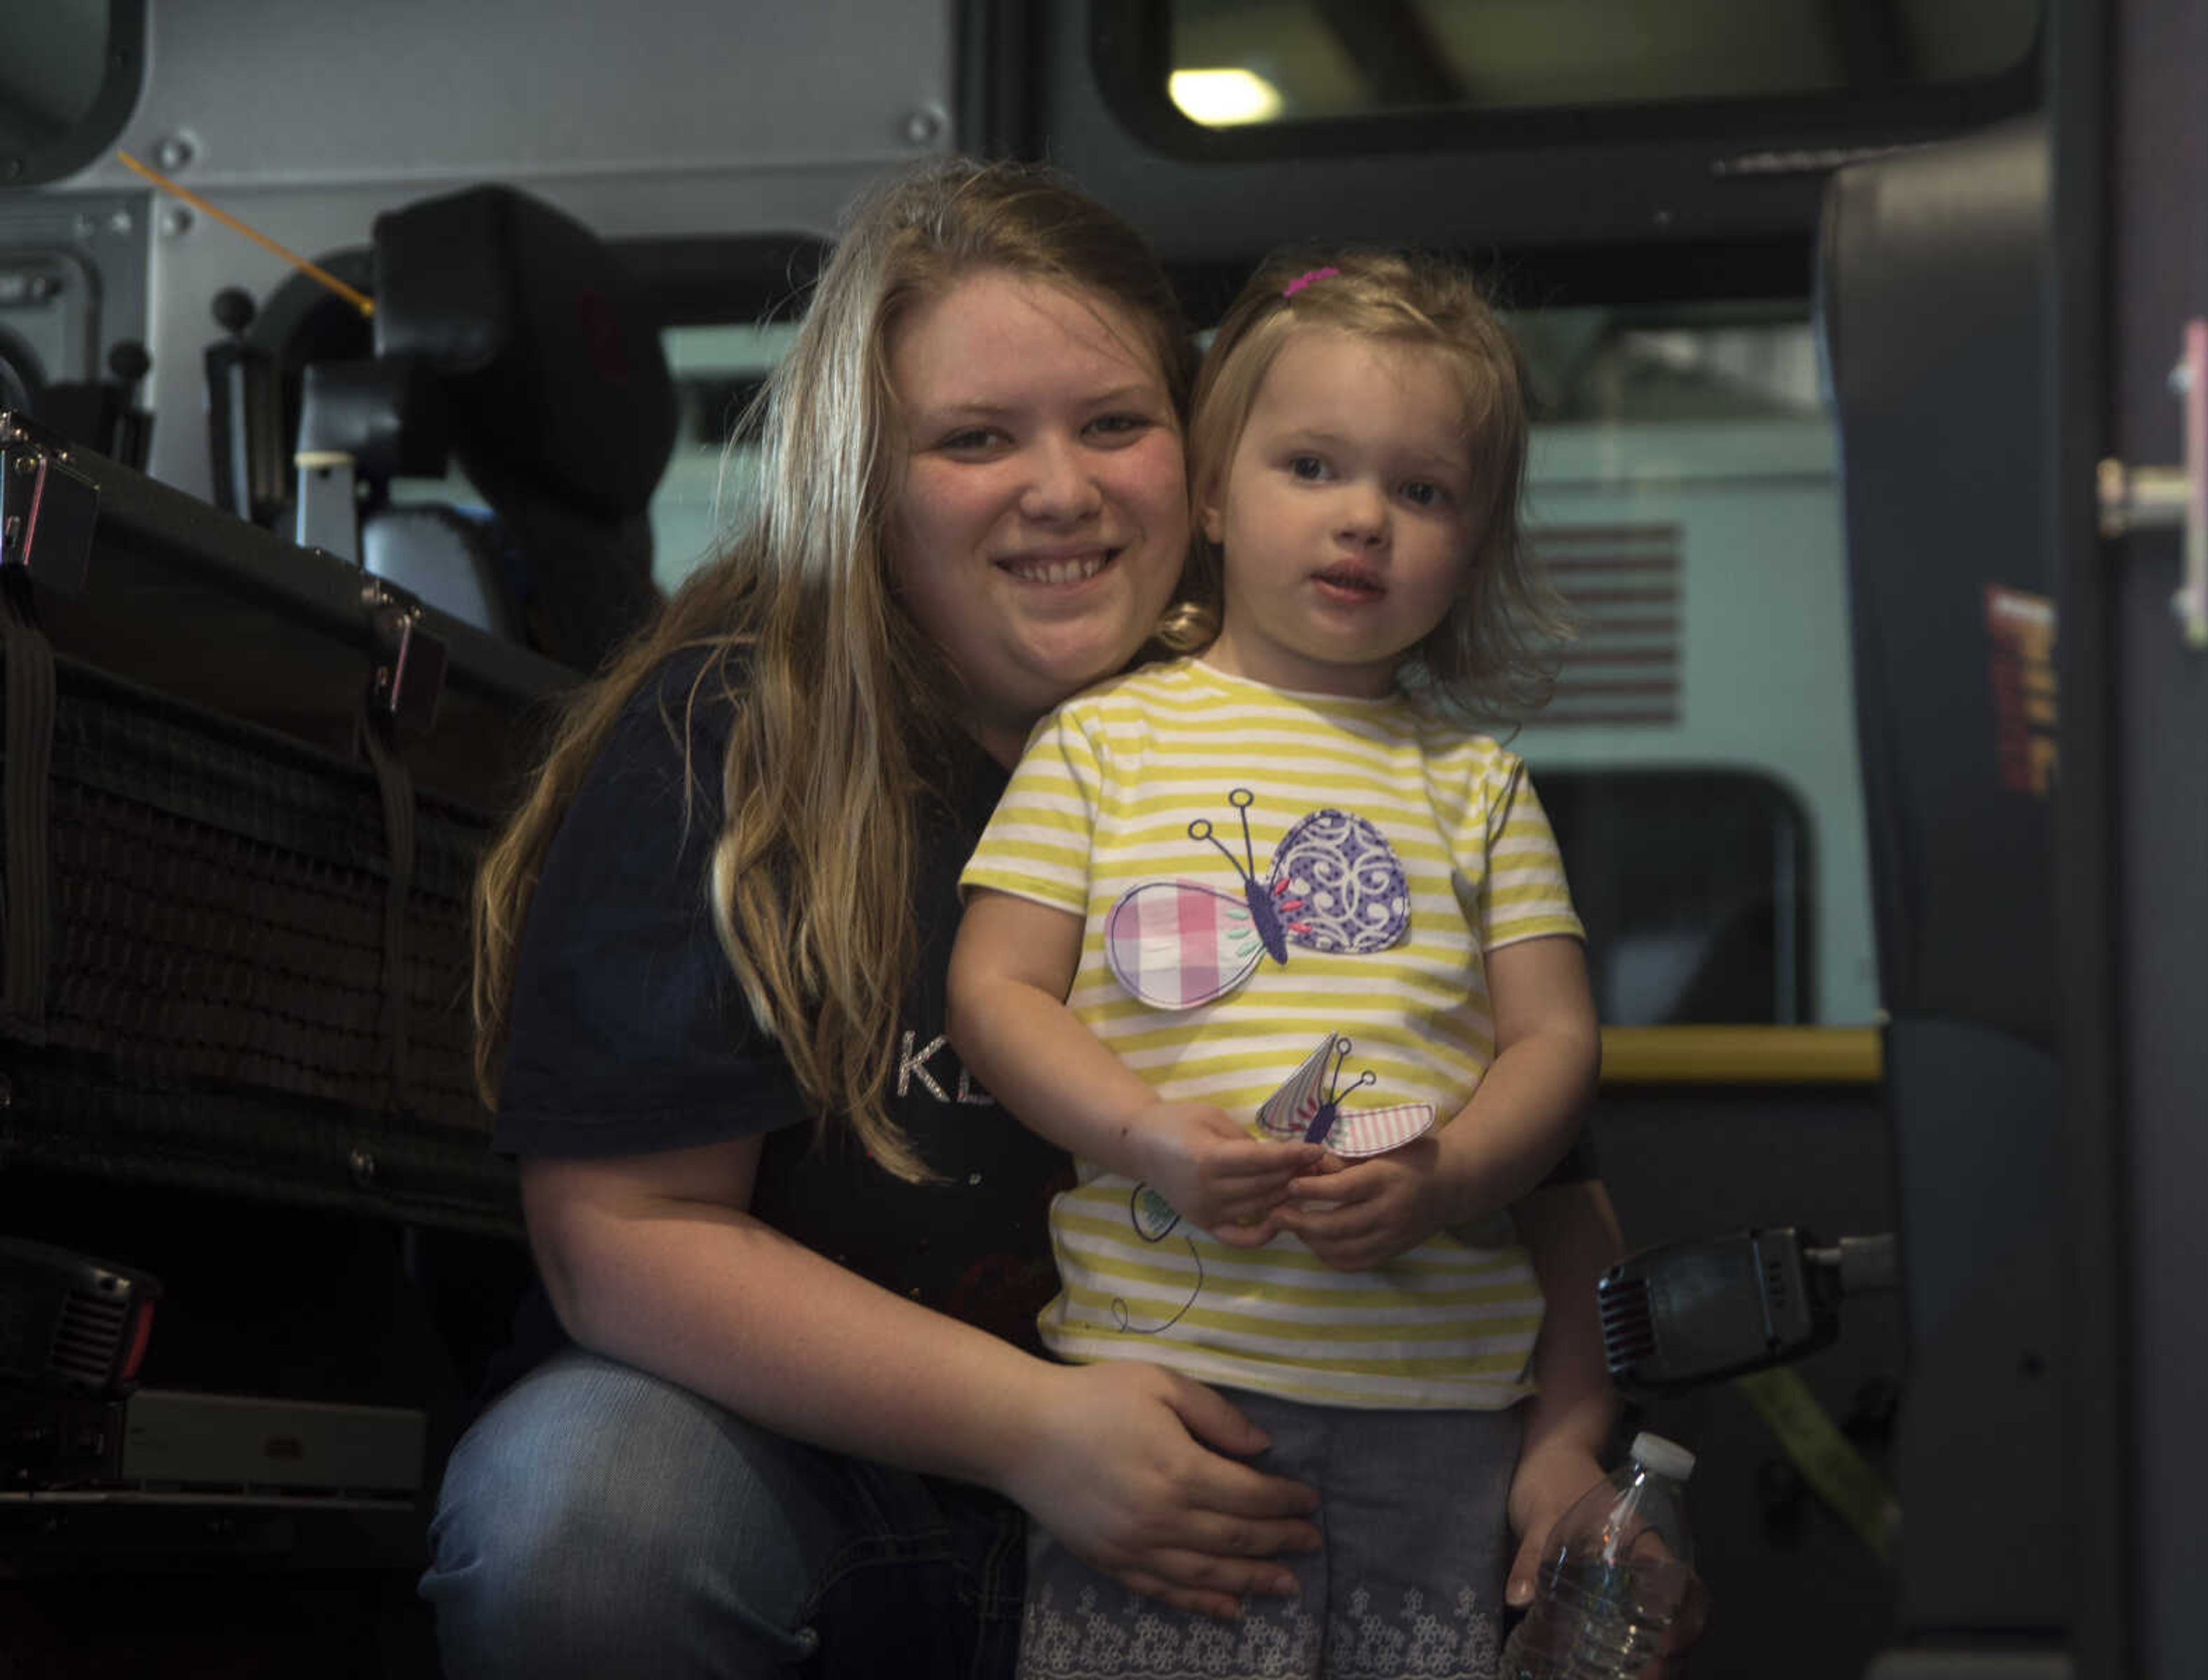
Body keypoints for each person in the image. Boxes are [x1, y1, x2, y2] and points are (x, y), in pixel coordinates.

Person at [420, 158, 1642, 1679]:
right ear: (869, 474)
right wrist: (1037, 1429)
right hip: (837, 1486)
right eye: (975, 438)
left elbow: (1551, 1190)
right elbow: (622, 1238)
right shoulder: (732, 743)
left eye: (1113, 422)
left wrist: (1578, 1466)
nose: (1057, 490)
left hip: (1257, 1516)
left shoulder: (1378, 775)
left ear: (1196, 455)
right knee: (585, 1511)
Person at [948, 249, 1608, 1677]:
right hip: (1162, 1405)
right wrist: (1149, 1140)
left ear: (1475, 541)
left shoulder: (1480, 785)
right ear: (1211, 500)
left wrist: (1452, 1176)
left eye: (1423, 491)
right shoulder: (1101, 744)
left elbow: (1555, 1047)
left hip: (1442, 1412)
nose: (1364, 518)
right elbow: (995, 994)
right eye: (1312, 466)